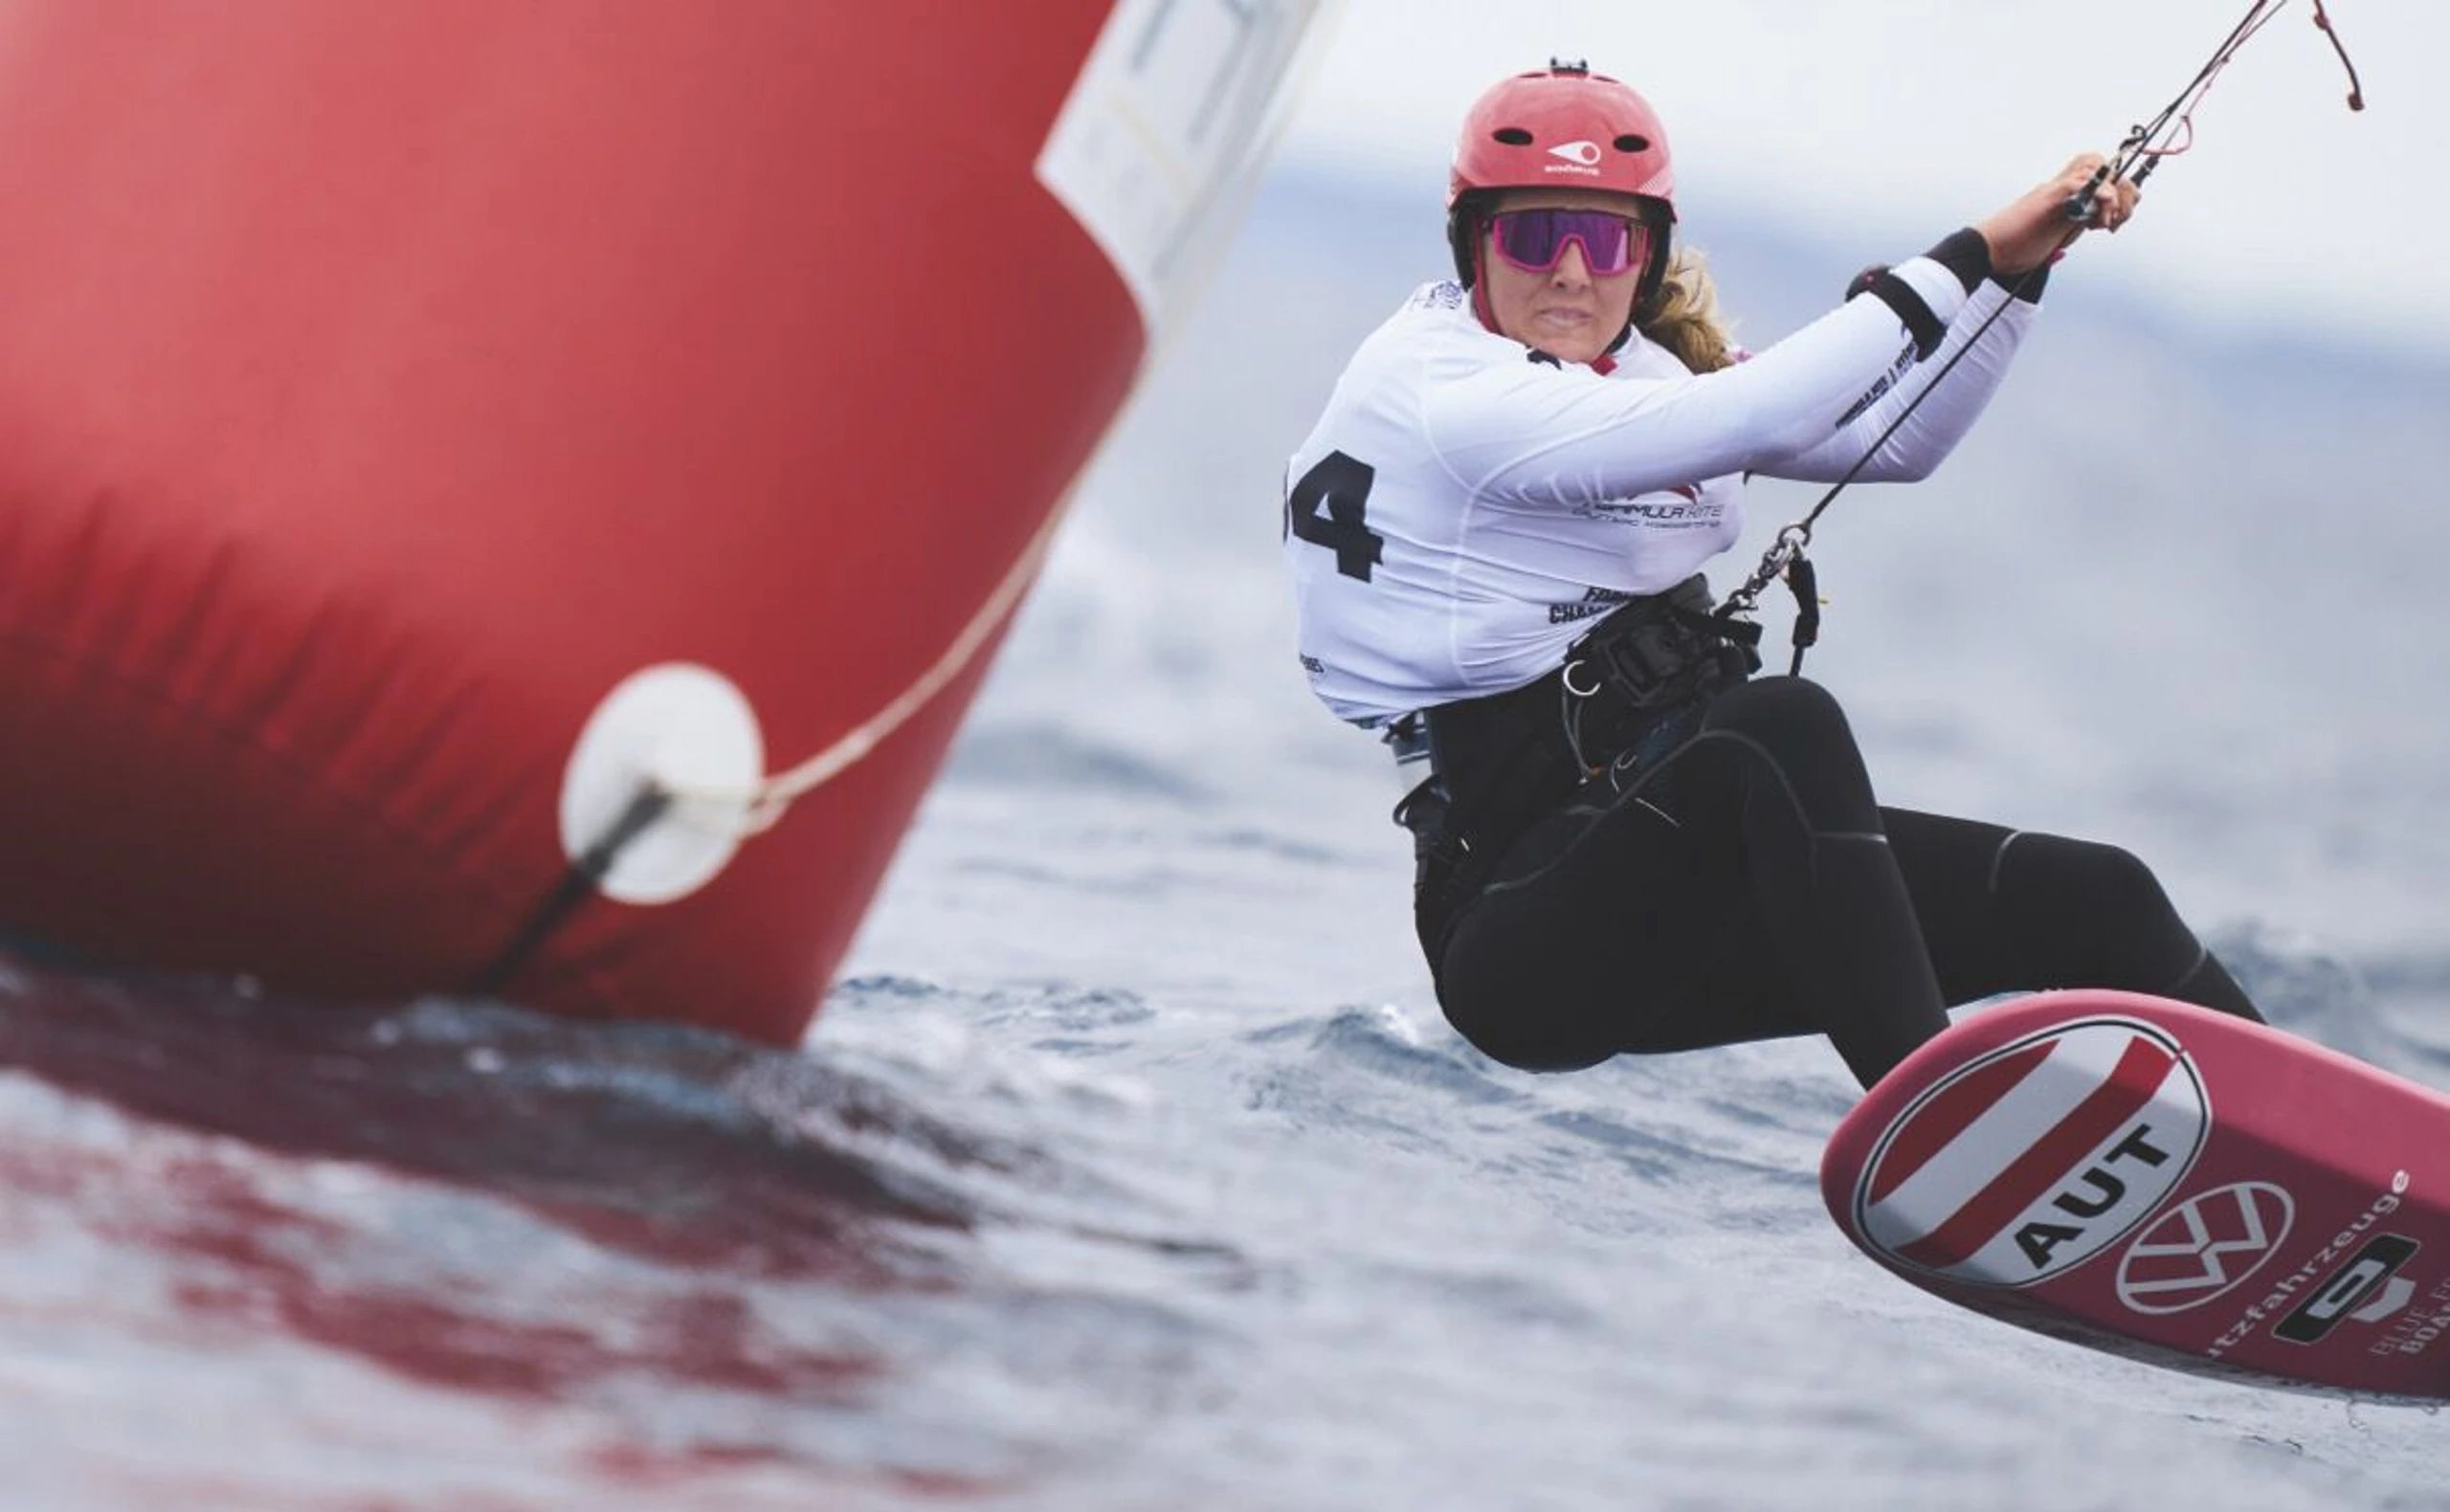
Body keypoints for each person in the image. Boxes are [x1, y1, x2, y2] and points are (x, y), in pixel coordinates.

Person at [1280, 60, 2265, 1091]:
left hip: (1685, 877)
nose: (1570, 270)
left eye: (1605, 239)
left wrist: (2023, 271)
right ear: (1472, 243)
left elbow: (1893, 440)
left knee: (2098, 898)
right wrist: (1977, 247)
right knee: (1777, 724)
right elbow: (1762, 413)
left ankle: (2335, 1143)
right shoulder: (1449, 390)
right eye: (1533, 235)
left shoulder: (1639, 376)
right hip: (1521, 934)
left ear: (1646, 256)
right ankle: (1929, 1117)